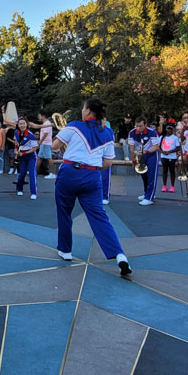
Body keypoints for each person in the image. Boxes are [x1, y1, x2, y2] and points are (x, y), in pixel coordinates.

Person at [50, 98, 130, 276]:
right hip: (93, 177)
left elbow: (54, 147)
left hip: (69, 173)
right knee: (99, 217)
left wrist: (66, 143)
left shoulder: (74, 126)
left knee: (64, 211)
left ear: (87, 112)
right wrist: (92, 169)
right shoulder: (108, 133)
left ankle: (65, 250)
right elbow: (108, 162)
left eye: (83, 108)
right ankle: (119, 255)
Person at [128, 117, 159, 205]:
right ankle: (146, 193)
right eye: (137, 126)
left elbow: (156, 147)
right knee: (143, 175)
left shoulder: (152, 132)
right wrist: (134, 159)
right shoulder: (132, 133)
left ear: (145, 125)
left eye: (140, 126)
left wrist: (146, 151)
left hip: (151, 154)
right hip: (141, 155)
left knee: (151, 176)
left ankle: (149, 197)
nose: (138, 128)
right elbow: (131, 147)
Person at [13, 118, 39, 198]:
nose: (22, 125)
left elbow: (35, 148)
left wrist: (24, 153)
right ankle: (19, 189)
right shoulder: (16, 132)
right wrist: (15, 150)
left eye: (23, 123)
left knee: (32, 174)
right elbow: (16, 142)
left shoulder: (31, 135)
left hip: (31, 156)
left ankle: (33, 193)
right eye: (20, 124)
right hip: (22, 156)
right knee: (22, 174)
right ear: (18, 125)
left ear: (26, 124)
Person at [158, 123, 180, 193]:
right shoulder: (162, 137)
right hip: (163, 156)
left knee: (172, 171)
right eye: (168, 128)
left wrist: (170, 152)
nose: (169, 130)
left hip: (172, 156)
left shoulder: (175, 138)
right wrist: (162, 151)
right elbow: (158, 146)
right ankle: (164, 185)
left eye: (170, 129)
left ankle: (172, 186)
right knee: (164, 171)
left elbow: (178, 147)